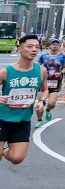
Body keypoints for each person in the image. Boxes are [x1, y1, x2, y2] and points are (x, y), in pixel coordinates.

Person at [0, 34, 48, 165]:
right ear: (19, 49)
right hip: (2, 119)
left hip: (23, 120)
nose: (34, 50)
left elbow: (44, 90)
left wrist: (41, 101)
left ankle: (4, 151)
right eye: (30, 46)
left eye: (37, 47)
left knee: (16, 159)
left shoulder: (41, 71)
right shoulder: (6, 71)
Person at [35, 38, 65, 127]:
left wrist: (60, 72)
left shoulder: (62, 56)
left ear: (59, 46)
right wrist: (41, 72)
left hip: (55, 82)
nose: (54, 45)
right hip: (44, 82)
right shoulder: (44, 56)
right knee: (40, 102)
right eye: (53, 44)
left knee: (52, 103)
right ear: (49, 45)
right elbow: (37, 66)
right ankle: (39, 120)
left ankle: (48, 110)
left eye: (56, 44)